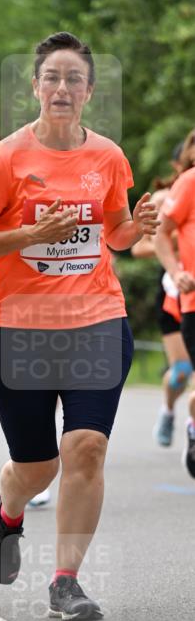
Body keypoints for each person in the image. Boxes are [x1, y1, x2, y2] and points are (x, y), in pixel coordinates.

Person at [0, 31, 158, 621]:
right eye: (53, 77)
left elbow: (115, 235)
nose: (63, 87)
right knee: (39, 465)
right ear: (36, 87)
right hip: (18, 328)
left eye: (75, 79)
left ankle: (65, 580)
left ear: (89, 92)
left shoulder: (108, 156)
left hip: (96, 319)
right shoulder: (9, 157)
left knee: (87, 448)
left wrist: (138, 225)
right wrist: (29, 235)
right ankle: (9, 511)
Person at [131, 164, 192, 447]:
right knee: (181, 370)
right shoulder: (163, 198)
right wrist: (180, 246)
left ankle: (191, 426)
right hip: (171, 288)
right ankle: (168, 411)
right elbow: (141, 246)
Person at [154, 127, 195, 476]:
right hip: (185, 296)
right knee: (182, 371)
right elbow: (158, 233)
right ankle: (175, 416)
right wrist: (176, 269)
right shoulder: (188, 183)